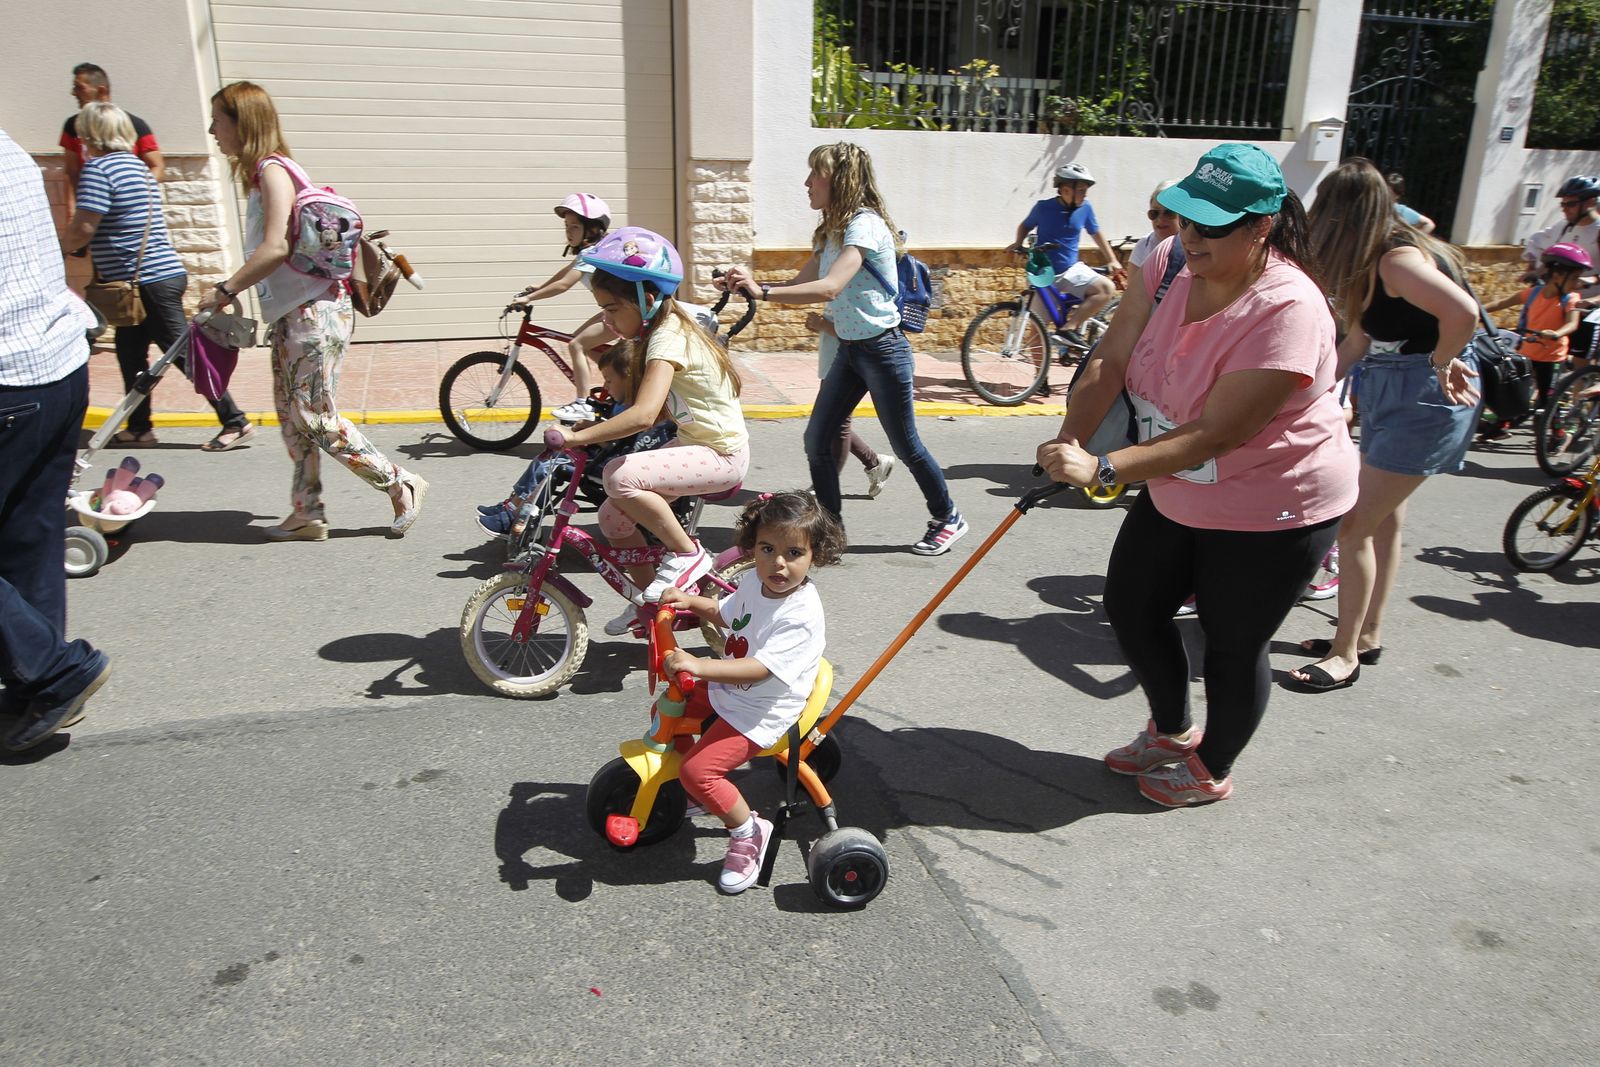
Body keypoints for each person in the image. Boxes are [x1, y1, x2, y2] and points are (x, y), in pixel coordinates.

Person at [1035, 143, 1358, 806]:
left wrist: (1102, 468)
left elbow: (1220, 432)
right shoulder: (1168, 262)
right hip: (1180, 479)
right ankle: (1172, 728)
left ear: (1261, 225)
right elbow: (1111, 359)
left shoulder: (1290, 309)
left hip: (1275, 501)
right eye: (1184, 217)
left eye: (1211, 225)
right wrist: (1069, 437)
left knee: (1232, 643)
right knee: (1131, 605)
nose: (1189, 235)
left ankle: (1212, 764)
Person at [196, 81, 427, 540]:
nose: (211, 130)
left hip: (313, 312)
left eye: (218, 120)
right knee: (291, 416)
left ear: (243, 121)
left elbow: (277, 246)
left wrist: (226, 288)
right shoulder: (267, 174)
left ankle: (400, 483)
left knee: (315, 416)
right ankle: (308, 510)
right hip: (293, 312)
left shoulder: (273, 171)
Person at [719, 142, 967, 555]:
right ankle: (830, 533)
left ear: (839, 179)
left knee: (906, 445)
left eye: (814, 174)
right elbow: (803, 281)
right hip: (850, 350)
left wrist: (762, 292)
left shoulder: (864, 226)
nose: (806, 182)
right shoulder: (831, 231)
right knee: (818, 439)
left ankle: (948, 516)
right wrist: (750, 282)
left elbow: (831, 286)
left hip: (883, 350)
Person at [1291, 158, 1481, 692]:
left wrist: (1443, 362)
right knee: (1384, 520)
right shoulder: (1373, 257)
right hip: (1391, 386)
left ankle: (1344, 653)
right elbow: (1356, 343)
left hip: (1424, 395)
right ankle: (1367, 636)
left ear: (1340, 214)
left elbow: (1461, 313)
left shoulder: (1396, 260)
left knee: (1351, 527)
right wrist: (1309, 392)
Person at [545, 226, 748, 601]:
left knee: (618, 475)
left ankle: (689, 554)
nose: (606, 322)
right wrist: (601, 428)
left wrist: (576, 437)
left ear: (648, 298)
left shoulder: (667, 338)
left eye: (612, 310)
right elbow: (660, 413)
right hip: (697, 443)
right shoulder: (662, 330)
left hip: (721, 454)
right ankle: (647, 604)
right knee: (612, 517)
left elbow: (642, 414)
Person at [658, 491, 845, 893]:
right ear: (752, 547)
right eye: (767, 548)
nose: (778, 563)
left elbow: (760, 670)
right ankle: (698, 793)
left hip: (763, 707)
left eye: (794, 552)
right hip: (734, 688)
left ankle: (748, 831)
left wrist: (699, 665)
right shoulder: (754, 583)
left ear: (816, 555)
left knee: (698, 771)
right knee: (669, 710)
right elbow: (728, 615)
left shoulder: (799, 614)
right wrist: (689, 601)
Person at [0, 127, 112, 752]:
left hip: (8, 378)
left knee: (28, 536)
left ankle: (53, 670)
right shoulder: (8, 145)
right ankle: (38, 694)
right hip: (58, 361)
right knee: (29, 539)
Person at [60, 103, 254, 451]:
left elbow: (84, 227)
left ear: (92, 133)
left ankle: (235, 421)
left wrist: (55, 248)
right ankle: (139, 427)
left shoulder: (99, 170)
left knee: (182, 354)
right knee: (129, 353)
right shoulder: (136, 166)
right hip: (153, 279)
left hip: (145, 283)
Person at [513, 192, 617, 421]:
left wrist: (530, 299)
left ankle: (582, 404)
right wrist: (539, 287)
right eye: (566, 226)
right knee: (583, 340)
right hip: (618, 310)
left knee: (576, 344)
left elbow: (564, 285)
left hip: (622, 313)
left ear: (591, 229)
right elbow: (564, 274)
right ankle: (621, 379)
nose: (568, 232)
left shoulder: (591, 255)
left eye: (574, 226)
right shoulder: (590, 252)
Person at [1006, 161, 1123, 348]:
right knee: (1037, 330)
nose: (1085, 194)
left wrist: (1112, 259)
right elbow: (1025, 225)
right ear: (1066, 189)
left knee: (1106, 289)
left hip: (1071, 270)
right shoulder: (1043, 208)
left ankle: (1069, 329)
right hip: (1044, 274)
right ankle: (1041, 377)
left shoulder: (1085, 208)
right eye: (1082, 190)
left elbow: (1096, 232)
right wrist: (1018, 242)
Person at [1480, 241, 1588, 436]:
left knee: (1548, 400)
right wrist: (1477, 310)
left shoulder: (1570, 298)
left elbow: (1573, 324)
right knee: (1513, 391)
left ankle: (1557, 432)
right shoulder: (1533, 293)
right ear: (1557, 275)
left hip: (1552, 358)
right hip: (1527, 354)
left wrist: (1556, 333)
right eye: (1573, 278)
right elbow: (1502, 302)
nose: (1577, 283)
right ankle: (1503, 424)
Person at [803, 309, 896, 498]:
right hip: (834, 357)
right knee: (830, 421)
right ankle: (874, 462)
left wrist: (822, 325)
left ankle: (825, 486)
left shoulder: (851, 283)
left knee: (836, 424)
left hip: (847, 362)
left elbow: (857, 331)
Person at [60, 63, 162, 215]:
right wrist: (73, 211)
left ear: (101, 90)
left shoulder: (133, 124)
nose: (73, 93)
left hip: (128, 213)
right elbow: (72, 172)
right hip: (90, 210)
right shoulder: (73, 126)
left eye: (79, 87)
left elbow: (157, 166)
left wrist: (133, 194)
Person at [1522, 176, 1600, 368]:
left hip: (1588, 304)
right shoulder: (1564, 226)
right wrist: (1533, 267)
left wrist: (1591, 280)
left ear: (1590, 202)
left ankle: (1578, 396)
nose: (1565, 209)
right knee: (1540, 348)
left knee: (1581, 361)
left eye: (1571, 204)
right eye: (1563, 204)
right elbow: (1538, 241)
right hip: (1560, 302)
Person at [1123, 179, 1179, 297]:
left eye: (1168, 213)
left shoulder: (1195, 246)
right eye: (1154, 213)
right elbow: (1132, 294)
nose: (1160, 219)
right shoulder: (1143, 245)